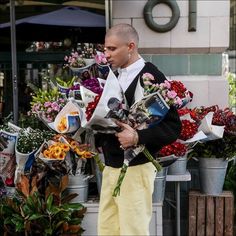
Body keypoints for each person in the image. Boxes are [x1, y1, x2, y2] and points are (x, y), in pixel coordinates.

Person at [96, 23, 182, 236]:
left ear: (131, 46)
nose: (106, 54)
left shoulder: (151, 76)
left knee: (133, 231)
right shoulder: (112, 75)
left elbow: (173, 127)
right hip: (111, 166)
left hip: (137, 167)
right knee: (107, 230)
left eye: (112, 49)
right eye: (105, 49)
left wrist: (137, 136)